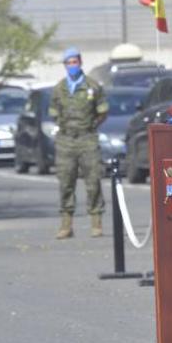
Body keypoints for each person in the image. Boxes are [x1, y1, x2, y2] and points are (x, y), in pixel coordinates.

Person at [50, 47, 108, 239]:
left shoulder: (92, 86)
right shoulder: (59, 88)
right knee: (66, 182)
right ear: (65, 65)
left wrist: (91, 125)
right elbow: (53, 113)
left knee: (93, 180)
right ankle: (66, 225)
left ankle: (96, 222)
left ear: (80, 62)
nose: (72, 66)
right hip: (66, 140)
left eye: (75, 62)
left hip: (87, 138)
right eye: (69, 63)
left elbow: (102, 111)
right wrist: (63, 126)